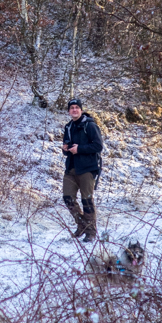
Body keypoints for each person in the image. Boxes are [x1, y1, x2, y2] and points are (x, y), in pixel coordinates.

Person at [62, 97, 103, 242]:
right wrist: (66, 149)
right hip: (71, 168)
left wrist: (79, 149)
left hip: (87, 168)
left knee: (87, 200)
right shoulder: (68, 127)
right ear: (68, 111)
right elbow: (67, 148)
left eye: (77, 108)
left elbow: (98, 146)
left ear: (81, 110)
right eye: (72, 108)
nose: (74, 110)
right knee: (68, 198)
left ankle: (91, 232)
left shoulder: (90, 126)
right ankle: (82, 225)